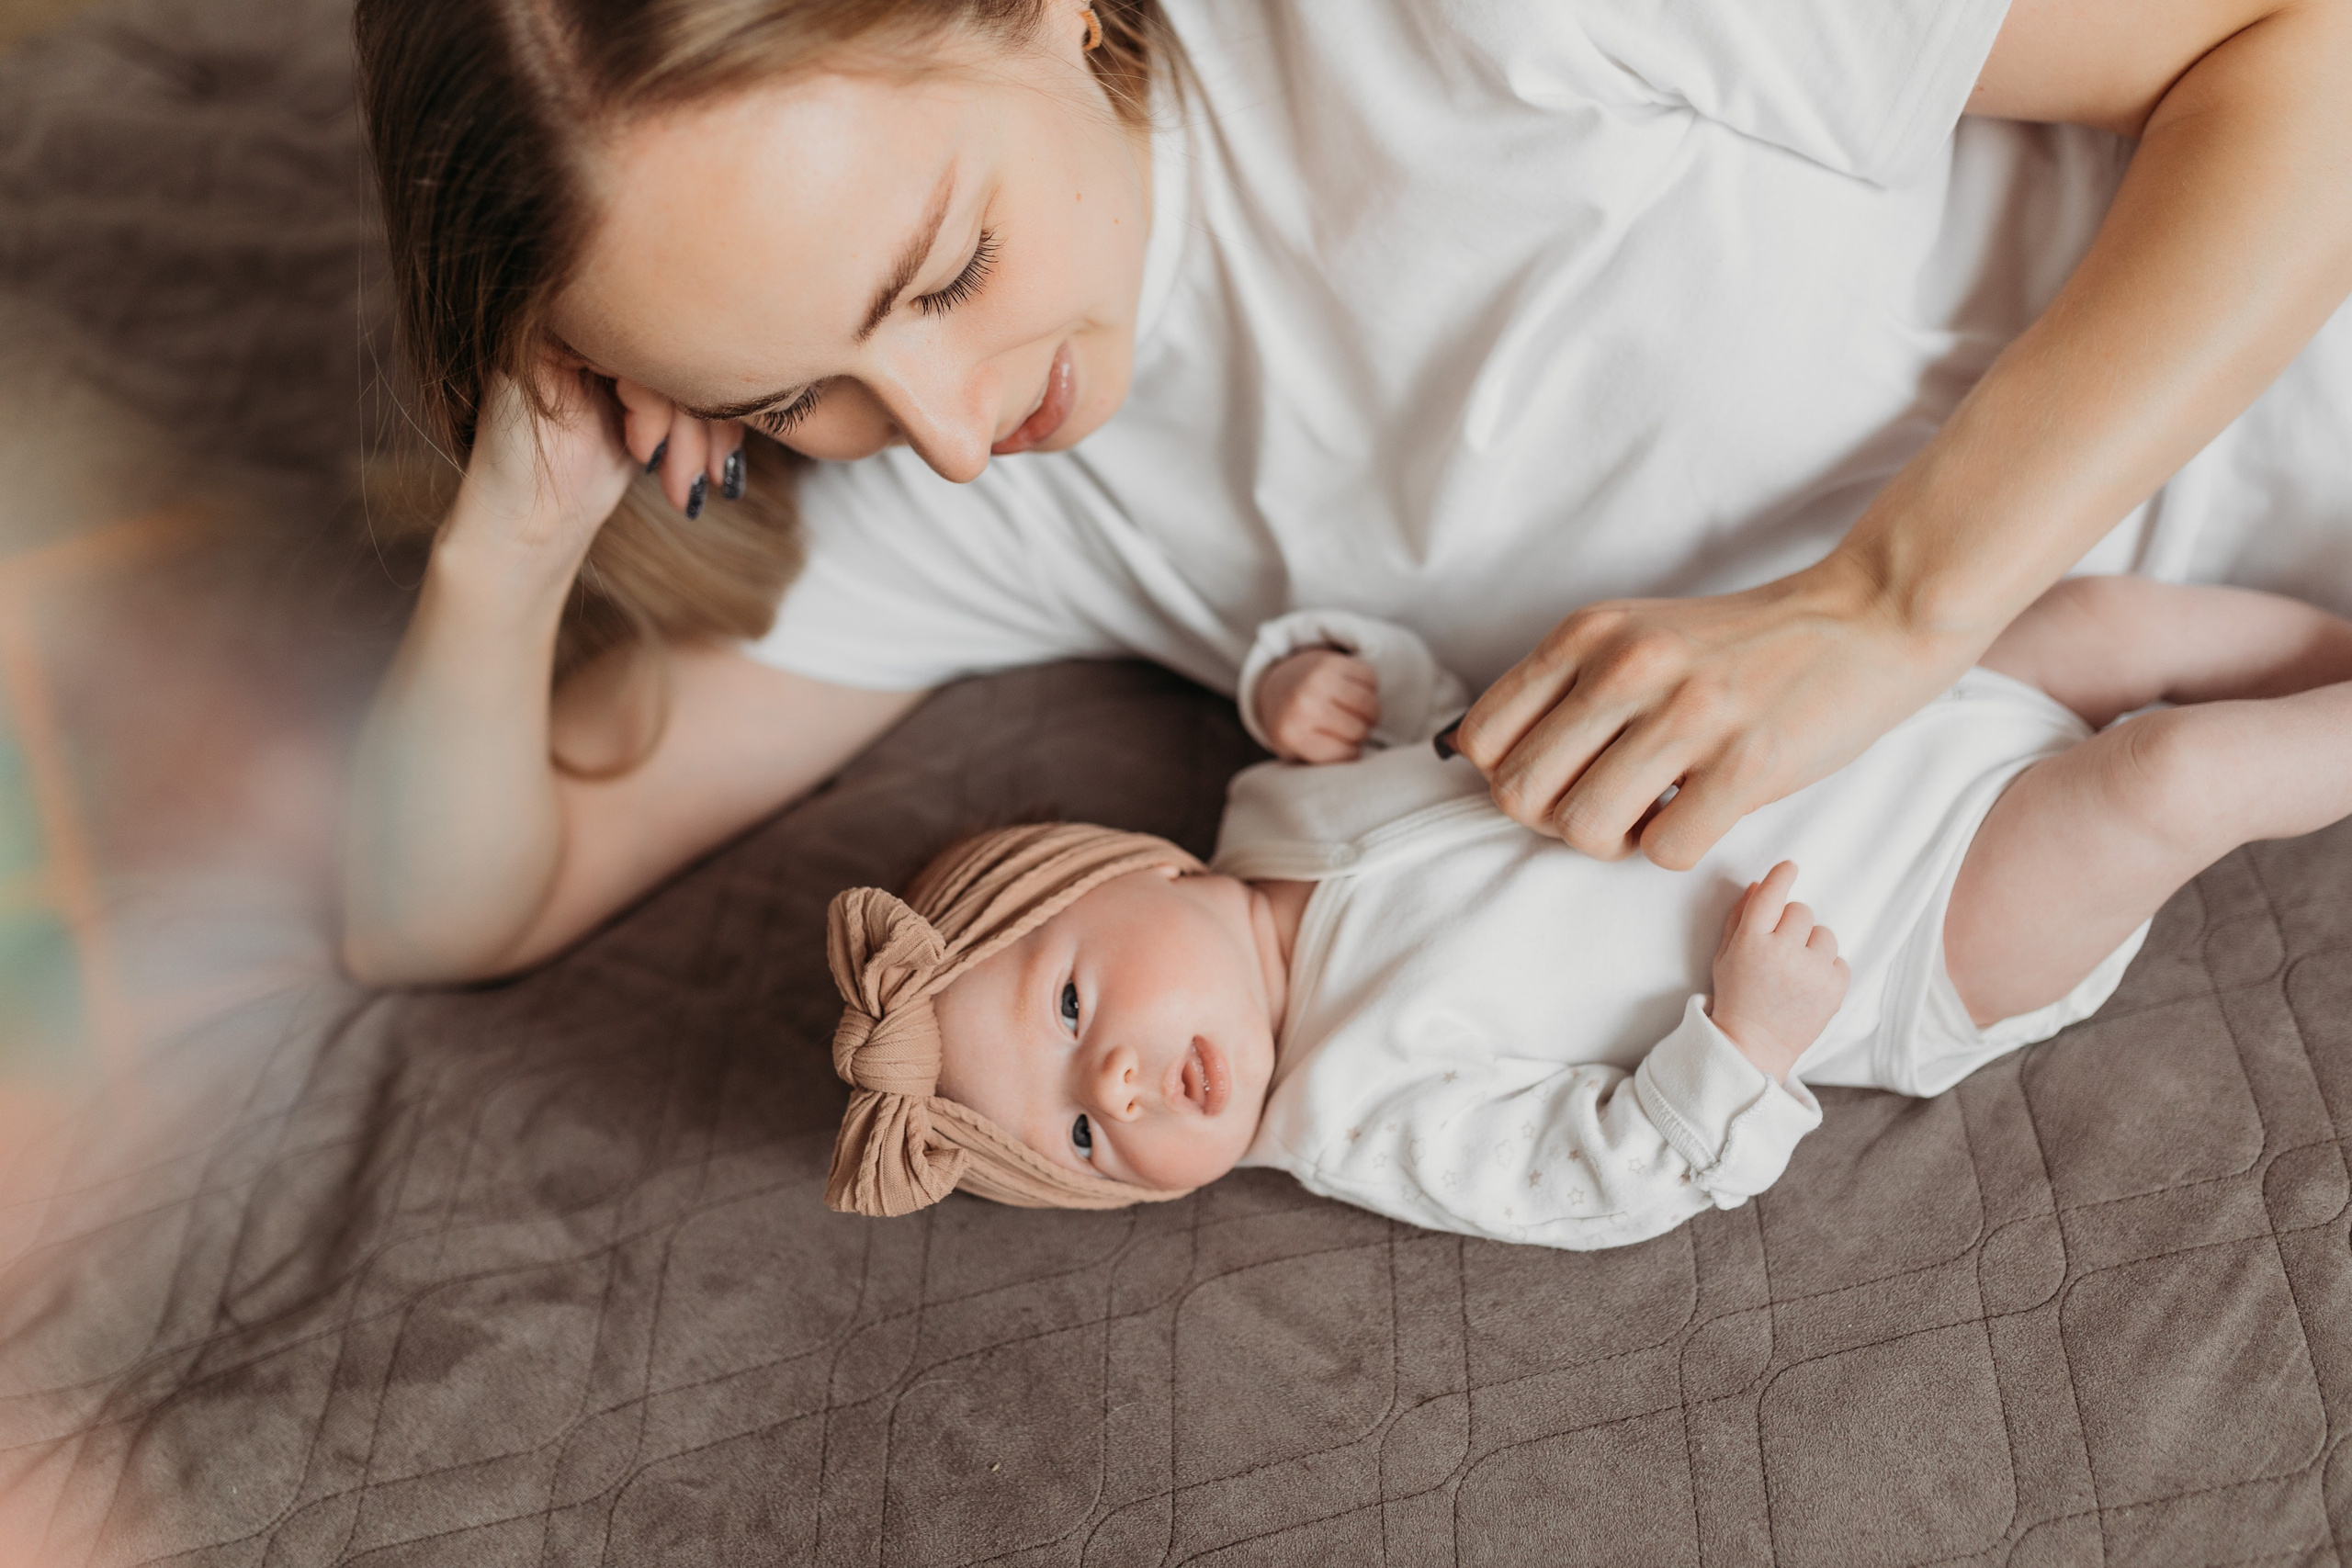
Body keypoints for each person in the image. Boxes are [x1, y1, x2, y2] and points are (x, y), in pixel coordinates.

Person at [341, 0, 2352, 986]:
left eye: (941, 271)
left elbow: (2293, 49)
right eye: (793, 395)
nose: (948, 426)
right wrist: (514, 530)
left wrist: (1885, 608)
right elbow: (450, 914)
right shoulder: (996, 496)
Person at [817, 577, 2352, 1245]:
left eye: (1076, 1014)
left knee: (2097, 622)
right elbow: (1591, 1178)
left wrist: (1316, 673)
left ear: (1132, 868)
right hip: (1901, 926)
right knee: (2166, 778)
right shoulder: (1354, 1111)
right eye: (1086, 1139)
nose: (1126, 1087)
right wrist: (1745, 1047)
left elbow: (1460, 723)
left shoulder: (1272, 800)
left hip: (1862, 726)